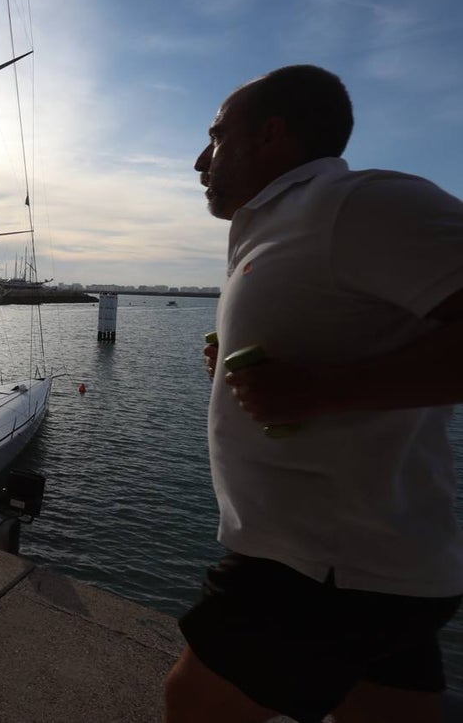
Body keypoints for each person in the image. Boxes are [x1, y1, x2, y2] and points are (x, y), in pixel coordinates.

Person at [164, 64, 463, 723]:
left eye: (216, 136)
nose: (200, 160)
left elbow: (317, 387)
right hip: (368, 562)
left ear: (271, 134)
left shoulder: (354, 203)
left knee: (194, 706)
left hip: (319, 568)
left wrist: (320, 391)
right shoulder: (280, 225)